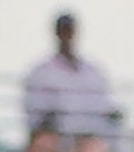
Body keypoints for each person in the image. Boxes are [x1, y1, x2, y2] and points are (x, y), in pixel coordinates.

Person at [22, 12, 119, 143]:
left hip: (90, 145)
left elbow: (106, 107)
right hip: (58, 144)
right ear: (57, 33)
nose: (67, 35)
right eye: (64, 30)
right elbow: (36, 116)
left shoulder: (92, 71)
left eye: (70, 30)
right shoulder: (41, 73)